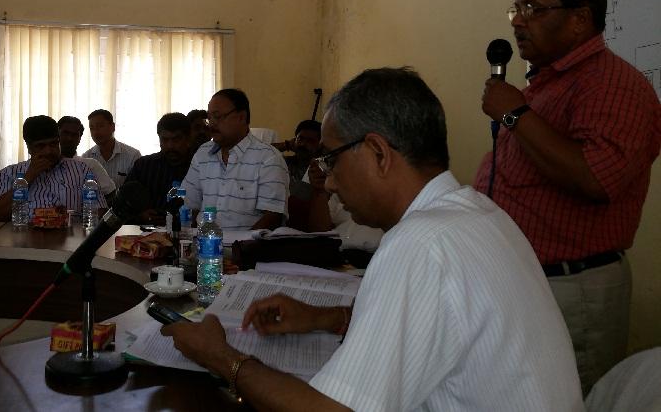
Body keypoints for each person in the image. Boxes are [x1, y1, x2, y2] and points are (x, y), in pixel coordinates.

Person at [163, 68, 582, 411]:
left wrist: (221, 358)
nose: (328, 180)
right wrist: (327, 318)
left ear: (379, 153)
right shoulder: (479, 213)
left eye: (331, 159)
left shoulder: (421, 244)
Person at [475, 0, 661, 393]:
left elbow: (595, 178)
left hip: (572, 286)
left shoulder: (611, 84)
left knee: (569, 399)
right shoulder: (548, 84)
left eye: (533, 9)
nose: (518, 22)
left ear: (580, 19)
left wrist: (515, 113)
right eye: (516, 9)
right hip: (529, 279)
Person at [181, 89, 288, 230]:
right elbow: (189, 205)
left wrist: (242, 243)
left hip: (249, 243)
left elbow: (273, 218)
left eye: (217, 117)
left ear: (241, 117)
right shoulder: (203, 153)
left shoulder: (269, 158)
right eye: (209, 118)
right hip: (204, 241)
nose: (211, 124)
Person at [0, 115, 107, 220]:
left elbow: (100, 212)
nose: (48, 151)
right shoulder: (9, 173)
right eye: (40, 146)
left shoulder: (81, 169)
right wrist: (27, 178)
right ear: (29, 148)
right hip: (25, 236)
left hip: (71, 235)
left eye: (53, 144)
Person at [124, 112, 193, 225]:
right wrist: (140, 216)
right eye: (164, 140)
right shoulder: (144, 165)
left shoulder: (199, 167)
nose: (170, 146)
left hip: (186, 231)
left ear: (188, 139)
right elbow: (124, 202)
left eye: (176, 140)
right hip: (146, 231)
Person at [57, 116, 116, 198]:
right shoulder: (46, 164)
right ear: (57, 134)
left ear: (79, 138)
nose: (69, 138)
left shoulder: (90, 165)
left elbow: (111, 194)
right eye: (65, 133)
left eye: (74, 135)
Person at [81, 109, 141, 188]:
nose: (96, 132)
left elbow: (136, 189)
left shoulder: (133, 156)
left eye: (100, 126)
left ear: (113, 127)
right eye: (92, 128)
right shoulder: (86, 158)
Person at [272, 119, 322, 184]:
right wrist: (287, 145)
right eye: (300, 139)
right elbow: (262, 152)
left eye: (310, 141)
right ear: (294, 140)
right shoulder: (285, 162)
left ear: (320, 144)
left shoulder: (320, 171)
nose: (303, 144)